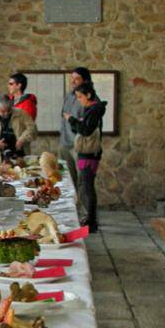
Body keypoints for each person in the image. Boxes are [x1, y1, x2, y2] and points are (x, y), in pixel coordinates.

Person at [64, 83, 107, 232]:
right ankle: (90, 219)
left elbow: (86, 130)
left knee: (87, 187)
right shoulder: (91, 110)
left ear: (88, 95)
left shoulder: (94, 110)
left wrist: (71, 120)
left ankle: (91, 221)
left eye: (80, 97)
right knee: (86, 186)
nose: (79, 100)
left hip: (89, 154)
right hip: (86, 153)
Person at [60, 67, 91, 191]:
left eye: (77, 78)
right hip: (65, 143)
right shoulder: (69, 95)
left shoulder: (90, 98)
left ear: (85, 80)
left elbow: (87, 124)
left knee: (82, 181)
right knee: (67, 180)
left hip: (79, 145)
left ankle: (82, 209)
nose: (73, 81)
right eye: (72, 78)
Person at [0, 94, 37, 167]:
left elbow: (33, 128)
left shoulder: (21, 113)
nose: (6, 114)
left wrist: (22, 139)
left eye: (8, 110)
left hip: (19, 156)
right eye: (3, 111)